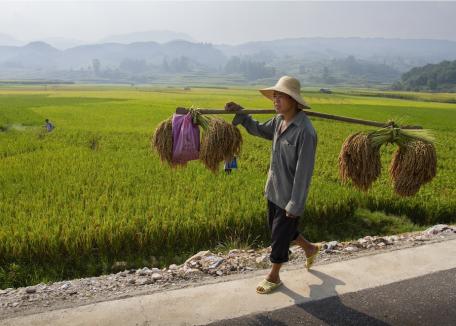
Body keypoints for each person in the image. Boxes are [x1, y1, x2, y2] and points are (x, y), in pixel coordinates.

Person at [225, 75, 320, 294]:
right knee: (280, 229)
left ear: (294, 100)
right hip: (273, 189)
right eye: (274, 96)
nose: (275, 100)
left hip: (289, 196)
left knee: (279, 236)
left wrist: (295, 204)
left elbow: (304, 172)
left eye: (281, 97)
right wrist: (242, 113)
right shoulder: (278, 121)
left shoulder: (305, 132)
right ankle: (310, 248)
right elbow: (259, 129)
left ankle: (274, 276)